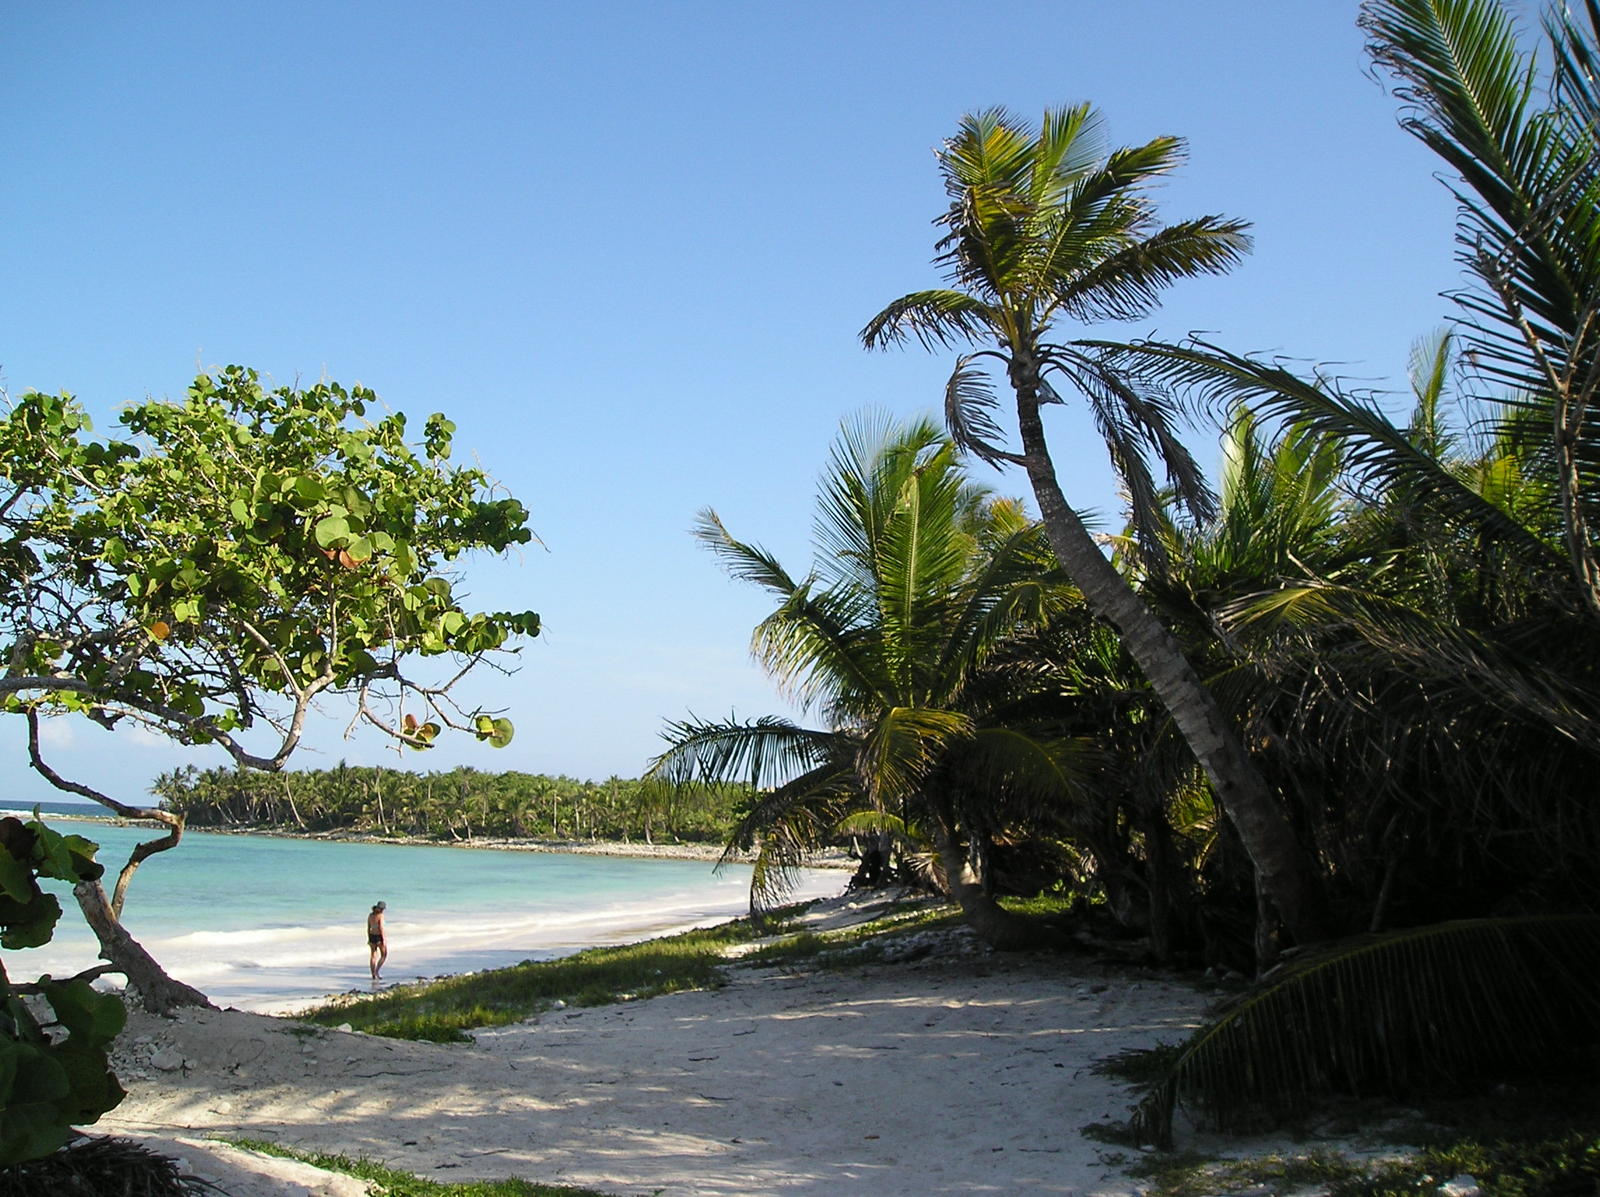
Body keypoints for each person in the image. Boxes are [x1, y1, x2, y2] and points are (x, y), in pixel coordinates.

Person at [367, 901, 388, 981]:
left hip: (372, 936)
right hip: (379, 936)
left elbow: (368, 928)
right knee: (384, 954)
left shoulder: (370, 915)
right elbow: (381, 928)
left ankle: (373, 974)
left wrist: (369, 938)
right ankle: (376, 971)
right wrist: (384, 939)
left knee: (373, 955)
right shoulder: (380, 916)